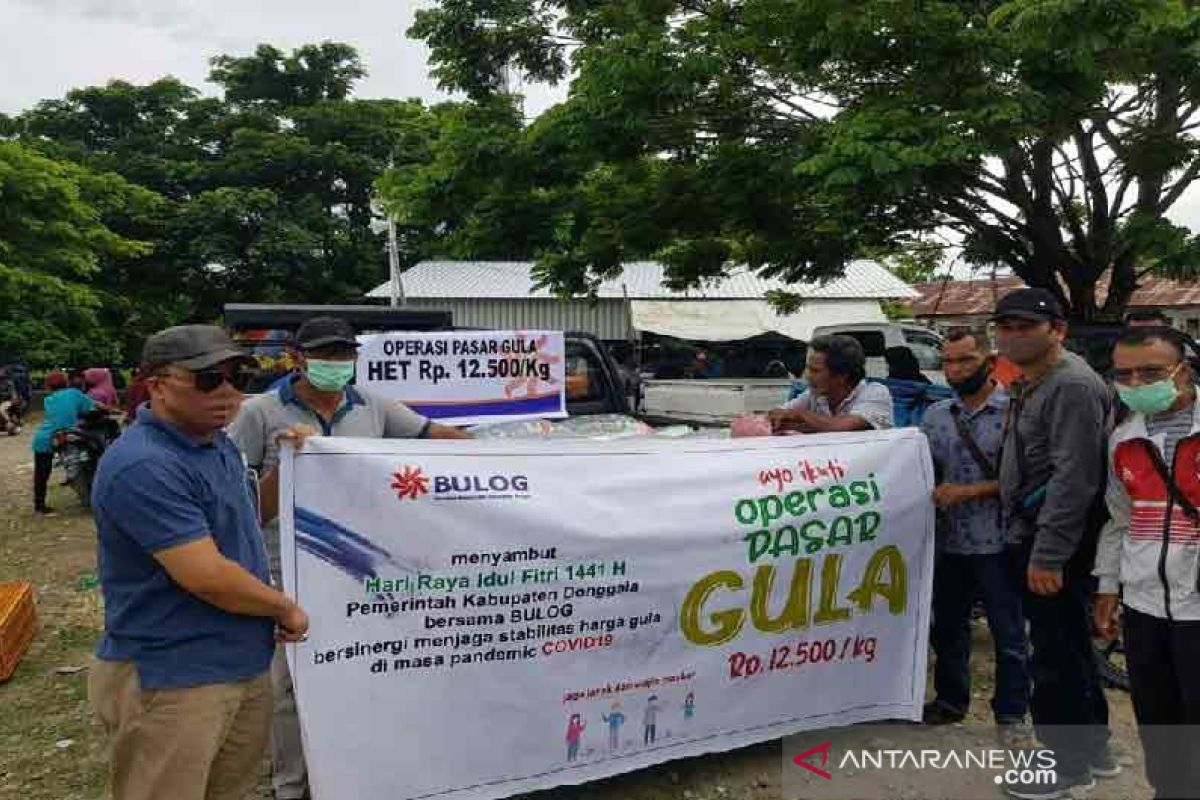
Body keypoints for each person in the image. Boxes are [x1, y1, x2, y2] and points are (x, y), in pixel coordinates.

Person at [226, 315, 470, 800]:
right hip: (286, 568)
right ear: (297, 358)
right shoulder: (259, 413)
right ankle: (291, 785)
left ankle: (357, 769)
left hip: (363, 566)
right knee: (290, 685)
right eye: (325, 355)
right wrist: (286, 465)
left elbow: (435, 438)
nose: (336, 364)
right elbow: (241, 512)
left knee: (363, 669)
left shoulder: (372, 406)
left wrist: (523, 456)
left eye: (344, 355)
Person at [88, 325, 309, 800]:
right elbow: (206, 576)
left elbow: (251, 520)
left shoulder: (217, 444)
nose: (228, 391)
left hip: (239, 664)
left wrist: (288, 467)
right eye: (208, 379)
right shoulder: (145, 464)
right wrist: (283, 607)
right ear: (157, 385)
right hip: (175, 678)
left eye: (238, 376)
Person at [993, 289, 1117, 799]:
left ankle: (1067, 770)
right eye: (1005, 325)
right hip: (1042, 533)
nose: (1013, 334)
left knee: (1052, 655)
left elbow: (1074, 478)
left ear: (1057, 330)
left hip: (1055, 538)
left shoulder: (1070, 385)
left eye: (1026, 325)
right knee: (1068, 647)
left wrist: (1049, 554)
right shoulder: (1035, 381)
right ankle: (1094, 750)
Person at [1094, 328, 1200, 800]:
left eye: (1151, 372)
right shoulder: (1124, 438)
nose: (1136, 383)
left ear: (1185, 369)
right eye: (1125, 374)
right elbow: (1119, 520)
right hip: (1144, 607)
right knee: (1158, 718)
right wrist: (1108, 586)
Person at [920, 329, 1029, 735]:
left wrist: (969, 491)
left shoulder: (1016, 411)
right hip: (949, 542)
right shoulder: (935, 416)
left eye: (964, 360)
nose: (954, 370)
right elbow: (920, 469)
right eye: (947, 361)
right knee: (947, 628)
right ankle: (950, 701)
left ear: (988, 360)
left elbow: (1029, 477)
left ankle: (1011, 712)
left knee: (1009, 633)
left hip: (1001, 541)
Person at [767, 335, 893, 433]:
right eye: (808, 369)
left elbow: (841, 426)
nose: (807, 376)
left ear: (842, 376)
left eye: (815, 371)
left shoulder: (875, 392)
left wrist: (800, 415)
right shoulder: (814, 395)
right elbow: (777, 415)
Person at [31, 371, 104, 514]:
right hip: (66, 436)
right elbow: (93, 407)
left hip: (44, 438)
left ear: (48, 386)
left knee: (41, 474)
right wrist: (111, 409)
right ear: (66, 382)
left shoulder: (49, 399)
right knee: (84, 462)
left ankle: (39, 505)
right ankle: (90, 496)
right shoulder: (74, 394)